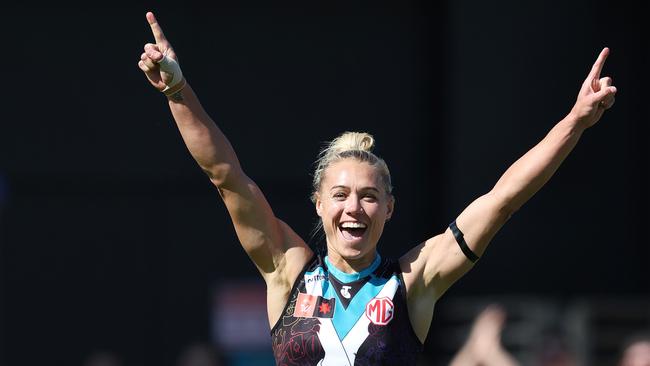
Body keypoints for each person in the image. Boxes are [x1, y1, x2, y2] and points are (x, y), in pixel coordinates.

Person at [138, 11, 616, 366]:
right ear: (319, 204)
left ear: (389, 208)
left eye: (370, 196)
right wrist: (177, 92)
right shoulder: (287, 270)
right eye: (341, 194)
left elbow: (503, 199)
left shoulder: (414, 283)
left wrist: (573, 123)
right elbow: (225, 176)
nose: (355, 207)